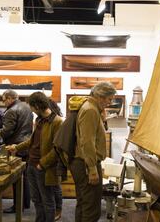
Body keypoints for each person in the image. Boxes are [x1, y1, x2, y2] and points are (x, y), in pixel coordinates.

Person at [6, 92, 63, 222]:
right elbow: (32, 141)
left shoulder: (57, 122)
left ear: (37, 106)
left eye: (31, 107)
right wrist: (16, 147)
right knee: (36, 200)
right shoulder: (38, 120)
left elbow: (58, 149)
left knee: (47, 201)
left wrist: (42, 163)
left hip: (44, 167)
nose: (31, 110)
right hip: (31, 164)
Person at [70, 82, 116, 222]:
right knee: (91, 208)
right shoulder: (90, 110)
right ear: (100, 96)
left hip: (83, 162)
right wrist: (92, 169)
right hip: (86, 164)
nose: (110, 102)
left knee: (84, 203)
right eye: (109, 99)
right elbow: (87, 142)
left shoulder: (90, 108)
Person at [0, 89, 33, 213]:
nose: (3, 102)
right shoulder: (26, 107)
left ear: (10, 98)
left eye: (4, 99)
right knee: (25, 176)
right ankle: (25, 203)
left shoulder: (11, 110)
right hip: (26, 145)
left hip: (15, 146)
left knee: (17, 177)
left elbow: (7, 130)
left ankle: (18, 206)